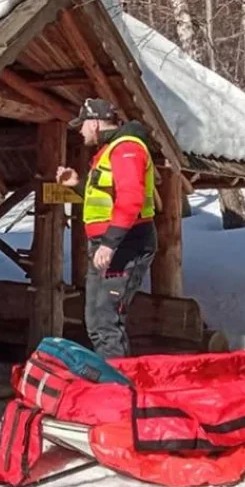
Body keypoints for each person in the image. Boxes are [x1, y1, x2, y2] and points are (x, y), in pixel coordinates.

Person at [56, 98, 157, 360]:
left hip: (125, 243)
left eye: (82, 125)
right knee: (95, 319)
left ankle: (117, 389)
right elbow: (106, 198)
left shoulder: (127, 149)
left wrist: (110, 244)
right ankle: (109, 383)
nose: (80, 131)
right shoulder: (109, 150)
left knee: (106, 320)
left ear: (95, 122)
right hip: (107, 243)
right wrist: (77, 185)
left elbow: (131, 199)